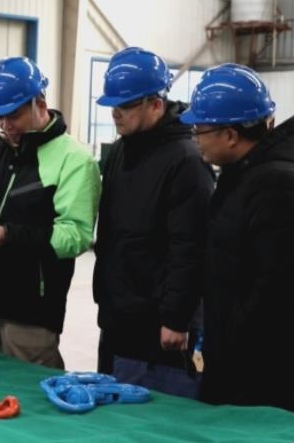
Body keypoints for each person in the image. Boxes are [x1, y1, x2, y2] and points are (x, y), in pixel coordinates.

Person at [180, 63, 294, 422]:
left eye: (200, 129)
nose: (195, 138)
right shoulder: (244, 177)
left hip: (273, 384)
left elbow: (281, 294)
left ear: (231, 135)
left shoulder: (279, 185)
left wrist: (229, 346)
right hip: (244, 370)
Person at [0, 57, 100, 368]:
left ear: (41, 104)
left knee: (29, 393)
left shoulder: (74, 160)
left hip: (30, 313)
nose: (5, 126)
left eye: (13, 115)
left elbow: (76, 236)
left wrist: (9, 236)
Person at [91, 48, 213, 397]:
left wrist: (177, 318)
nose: (115, 113)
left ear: (156, 104)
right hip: (117, 315)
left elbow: (190, 248)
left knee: (150, 416)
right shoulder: (121, 150)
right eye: (112, 105)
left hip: (158, 327)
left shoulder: (186, 162)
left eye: (125, 105)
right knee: (110, 409)